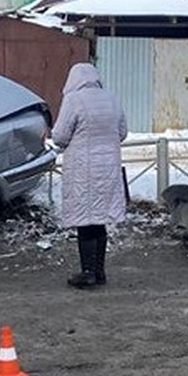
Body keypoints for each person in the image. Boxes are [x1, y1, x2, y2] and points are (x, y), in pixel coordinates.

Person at [51, 62, 128, 289]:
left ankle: (87, 273)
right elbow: (122, 132)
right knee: (100, 219)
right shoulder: (111, 98)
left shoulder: (74, 100)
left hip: (83, 169)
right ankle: (100, 271)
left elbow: (60, 136)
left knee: (85, 219)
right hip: (108, 169)